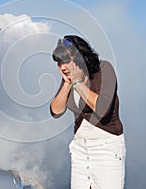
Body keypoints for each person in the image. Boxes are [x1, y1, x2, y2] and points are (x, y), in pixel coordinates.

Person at [50, 35, 126, 189]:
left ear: (81, 58)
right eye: (59, 63)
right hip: (80, 149)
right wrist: (67, 83)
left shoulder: (104, 69)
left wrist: (78, 83)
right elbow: (56, 111)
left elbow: (102, 109)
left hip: (106, 148)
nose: (62, 67)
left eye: (66, 61)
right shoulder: (68, 79)